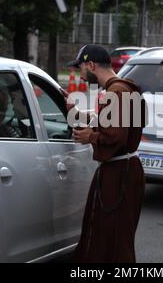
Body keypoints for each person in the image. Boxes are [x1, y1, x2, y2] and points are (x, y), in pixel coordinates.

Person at [65, 44, 147, 262]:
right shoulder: (123, 89)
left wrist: (89, 137)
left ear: (91, 65)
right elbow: (115, 123)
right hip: (125, 171)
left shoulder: (116, 92)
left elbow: (115, 136)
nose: (80, 75)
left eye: (81, 67)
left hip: (119, 174)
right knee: (112, 238)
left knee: (111, 241)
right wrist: (77, 113)